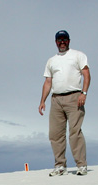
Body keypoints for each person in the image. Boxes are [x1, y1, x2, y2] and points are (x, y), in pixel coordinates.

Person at [38, 30, 91, 176]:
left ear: (69, 40)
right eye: (59, 39)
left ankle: (81, 165)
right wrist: (42, 100)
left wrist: (83, 93)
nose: (62, 42)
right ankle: (60, 165)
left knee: (75, 132)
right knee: (55, 134)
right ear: (55, 42)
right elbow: (48, 81)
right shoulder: (51, 61)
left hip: (74, 97)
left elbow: (86, 74)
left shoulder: (78, 55)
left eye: (64, 39)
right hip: (56, 100)